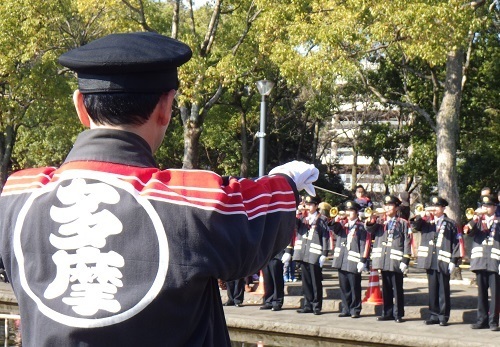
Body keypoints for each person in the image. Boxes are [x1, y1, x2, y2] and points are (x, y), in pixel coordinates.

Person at [0, 32, 320, 346]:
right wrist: (289, 180)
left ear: (80, 106)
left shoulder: (17, 196)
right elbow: (261, 208)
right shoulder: (192, 201)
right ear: (166, 107)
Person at [411, 197, 463, 326]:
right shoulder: (427, 222)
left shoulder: (450, 223)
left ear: (443, 208)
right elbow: (414, 227)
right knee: (432, 289)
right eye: (433, 206)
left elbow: (457, 243)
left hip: (444, 260)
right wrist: (420, 216)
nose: (434, 209)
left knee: (443, 290)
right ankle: (433, 315)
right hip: (430, 259)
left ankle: (443, 316)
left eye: (437, 206)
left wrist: (454, 261)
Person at [366, 195, 412, 323]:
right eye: (386, 205)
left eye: (390, 205)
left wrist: (405, 259)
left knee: (397, 288)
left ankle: (398, 313)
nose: (387, 207)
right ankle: (387, 312)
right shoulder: (380, 222)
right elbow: (370, 230)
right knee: (386, 287)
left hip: (396, 260)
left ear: (396, 207)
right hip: (384, 259)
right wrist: (371, 220)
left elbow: (407, 241)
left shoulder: (403, 222)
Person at [283, 195, 330, 315]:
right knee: (306, 281)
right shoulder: (302, 218)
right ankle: (307, 304)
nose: (308, 207)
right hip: (303, 253)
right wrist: (296, 211)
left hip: (315, 254)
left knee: (315, 281)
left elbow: (325, 236)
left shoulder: (322, 219)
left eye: (310, 205)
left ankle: (317, 305)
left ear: (316, 206)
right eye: (307, 205)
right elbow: (293, 225)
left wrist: (325, 253)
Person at [463, 194, 500, 331]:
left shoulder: (499, 221)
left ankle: (493, 321)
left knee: (495, 294)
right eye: (484, 206)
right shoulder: (478, 221)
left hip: (495, 262)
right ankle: (481, 320)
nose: (485, 208)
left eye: (488, 206)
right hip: (480, 262)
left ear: (494, 207)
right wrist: (475, 218)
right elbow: (467, 231)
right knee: (481, 293)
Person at [330, 200, 370, 318]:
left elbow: (365, 243)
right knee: (344, 286)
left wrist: (363, 260)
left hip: (353, 260)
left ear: (356, 212)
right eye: (347, 210)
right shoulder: (342, 225)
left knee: (354, 286)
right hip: (341, 259)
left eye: (351, 211)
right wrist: (336, 218)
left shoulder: (361, 226)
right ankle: (345, 308)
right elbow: (333, 228)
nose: (348, 213)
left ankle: (355, 309)